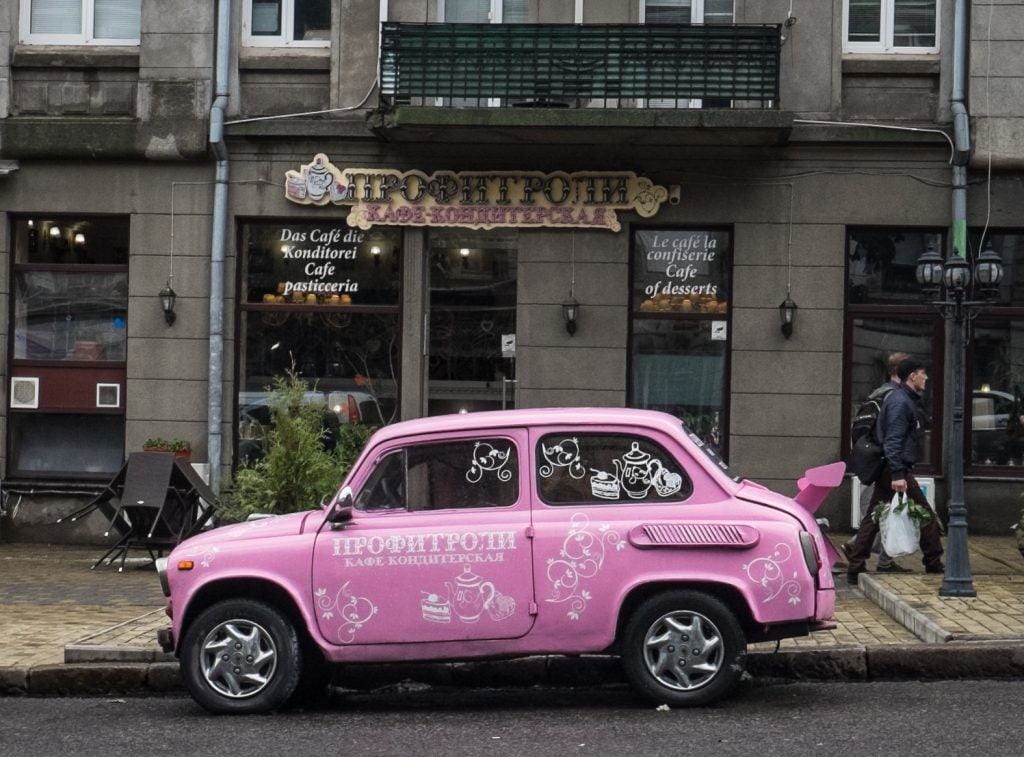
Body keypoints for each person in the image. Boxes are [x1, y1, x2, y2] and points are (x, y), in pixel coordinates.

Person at [846, 358, 944, 584]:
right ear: (912, 376)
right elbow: (892, 441)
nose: (926, 378)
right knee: (925, 513)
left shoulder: (902, 399)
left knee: (873, 515)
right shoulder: (901, 402)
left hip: (891, 467)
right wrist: (898, 474)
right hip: (894, 467)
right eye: (923, 373)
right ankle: (933, 562)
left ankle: (856, 564)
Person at [843, 351, 911, 573]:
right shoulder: (894, 396)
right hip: (885, 463)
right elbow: (892, 435)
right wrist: (896, 467)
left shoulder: (879, 393)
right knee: (879, 511)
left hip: (875, 461)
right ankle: (857, 547)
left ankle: (879, 558)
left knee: (881, 510)